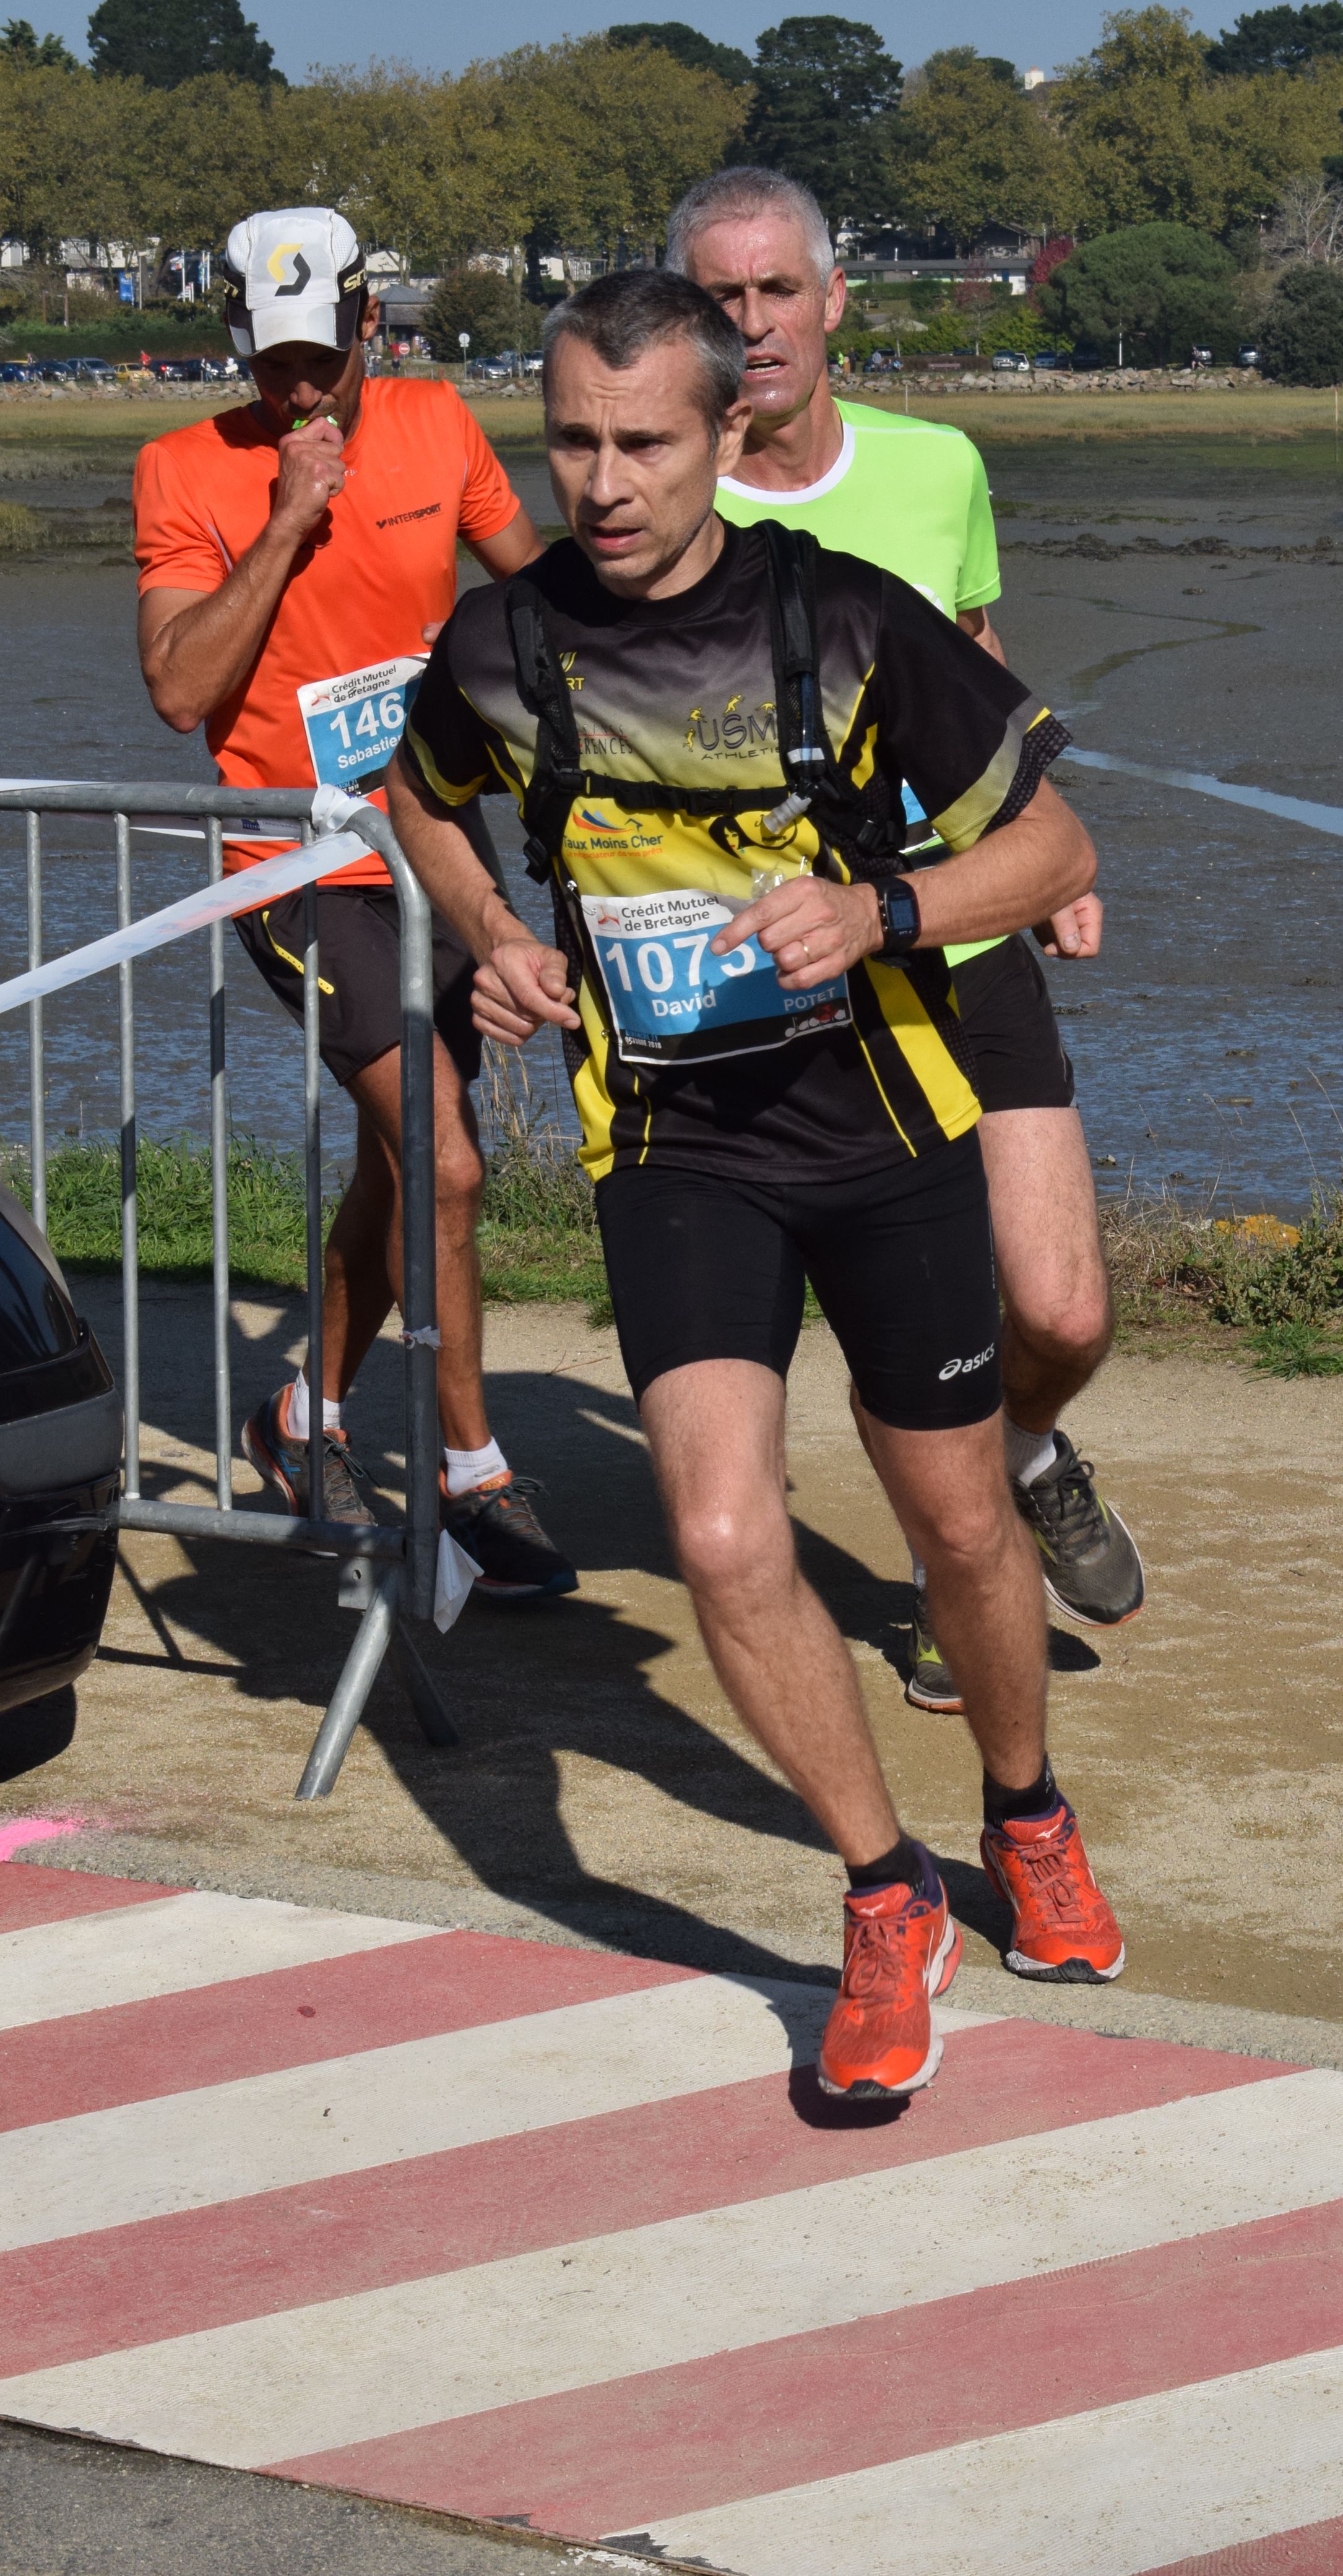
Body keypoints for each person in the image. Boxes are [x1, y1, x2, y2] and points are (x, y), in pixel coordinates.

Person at [385, 270, 1126, 2096]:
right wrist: (491, 933)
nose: (603, 484)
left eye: (644, 443)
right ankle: (886, 1892)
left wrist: (881, 909)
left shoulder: (848, 621)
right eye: (571, 441)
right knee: (722, 1536)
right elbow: (416, 793)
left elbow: (1055, 847)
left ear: (732, 432)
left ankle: (1025, 1809)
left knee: (963, 1528)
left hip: (884, 1129)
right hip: (676, 1146)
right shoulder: (501, 643)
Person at [665, 167, 1142, 1712]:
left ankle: (1019, 1454)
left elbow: (975, 661)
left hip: (950, 925)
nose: (754, 324)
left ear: (832, 301)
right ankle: (959, 1573)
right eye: (722, 298)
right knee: (895, 1320)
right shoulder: (666, 504)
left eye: (776, 291)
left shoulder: (939, 469)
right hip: (781, 972)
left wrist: (1035, 852)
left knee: (1062, 1309)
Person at [133, 207, 574, 1598]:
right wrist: (285, 520)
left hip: (436, 851)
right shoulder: (181, 466)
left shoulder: (439, 426)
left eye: (320, 358)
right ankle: (471, 1475)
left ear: (370, 324)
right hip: (295, 870)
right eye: (271, 363)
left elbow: (549, 602)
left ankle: (301, 1412)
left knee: (405, 1168)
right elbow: (179, 690)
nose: (298, 390)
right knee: (447, 1164)